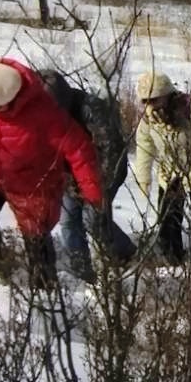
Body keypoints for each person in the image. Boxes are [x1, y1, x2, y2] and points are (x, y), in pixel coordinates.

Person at [0, 59, 104, 286]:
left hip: (32, 183)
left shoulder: (44, 113)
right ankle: (6, 262)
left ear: (11, 99)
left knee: (37, 242)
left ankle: (45, 294)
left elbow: (78, 150)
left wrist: (92, 191)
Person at [41, 67, 133, 279]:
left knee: (94, 219)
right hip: (71, 175)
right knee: (69, 220)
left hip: (103, 170)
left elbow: (111, 147)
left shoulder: (91, 108)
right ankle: (81, 271)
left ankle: (124, 254)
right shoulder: (46, 114)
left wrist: (100, 182)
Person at [132, 71, 191, 262]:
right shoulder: (149, 119)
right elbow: (144, 148)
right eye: (145, 101)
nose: (149, 105)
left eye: (154, 99)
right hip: (169, 172)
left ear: (166, 94)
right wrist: (143, 178)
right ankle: (173, 261)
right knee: (167, 221)